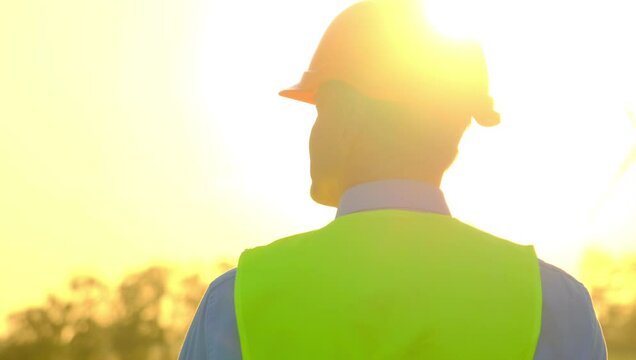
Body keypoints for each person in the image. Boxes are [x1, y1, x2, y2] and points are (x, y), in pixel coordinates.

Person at [179, 1, 607, 359]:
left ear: (349, 117)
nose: (315, 132)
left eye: (320, 109)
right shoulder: (553, 303)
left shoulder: (238, 300)